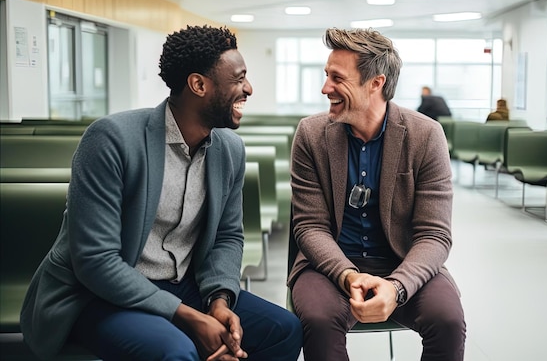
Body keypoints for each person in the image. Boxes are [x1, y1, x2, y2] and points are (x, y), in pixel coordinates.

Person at [21, 25, 302, 361]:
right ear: (198, 85)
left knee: (284, 328)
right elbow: (96, 261)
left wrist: (218, 301)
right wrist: (189, 316)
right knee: (175, 351)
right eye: (239, 79)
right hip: (100, 295)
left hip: (186, 285)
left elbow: (227, 237)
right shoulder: (111, 139)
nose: (249, 89)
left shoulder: (230, 150)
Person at [288, 28, 466, 361]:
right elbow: (309, 227)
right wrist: (348, 275)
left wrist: (397, 286)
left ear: (376, 83)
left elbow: (435, 234)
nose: (325, 88)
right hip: (328, 265)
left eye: (337, 78)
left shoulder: (426, 135)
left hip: (402, 259)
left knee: (448, 320)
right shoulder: (311, 135)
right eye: (327, 76)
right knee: (318, 320)